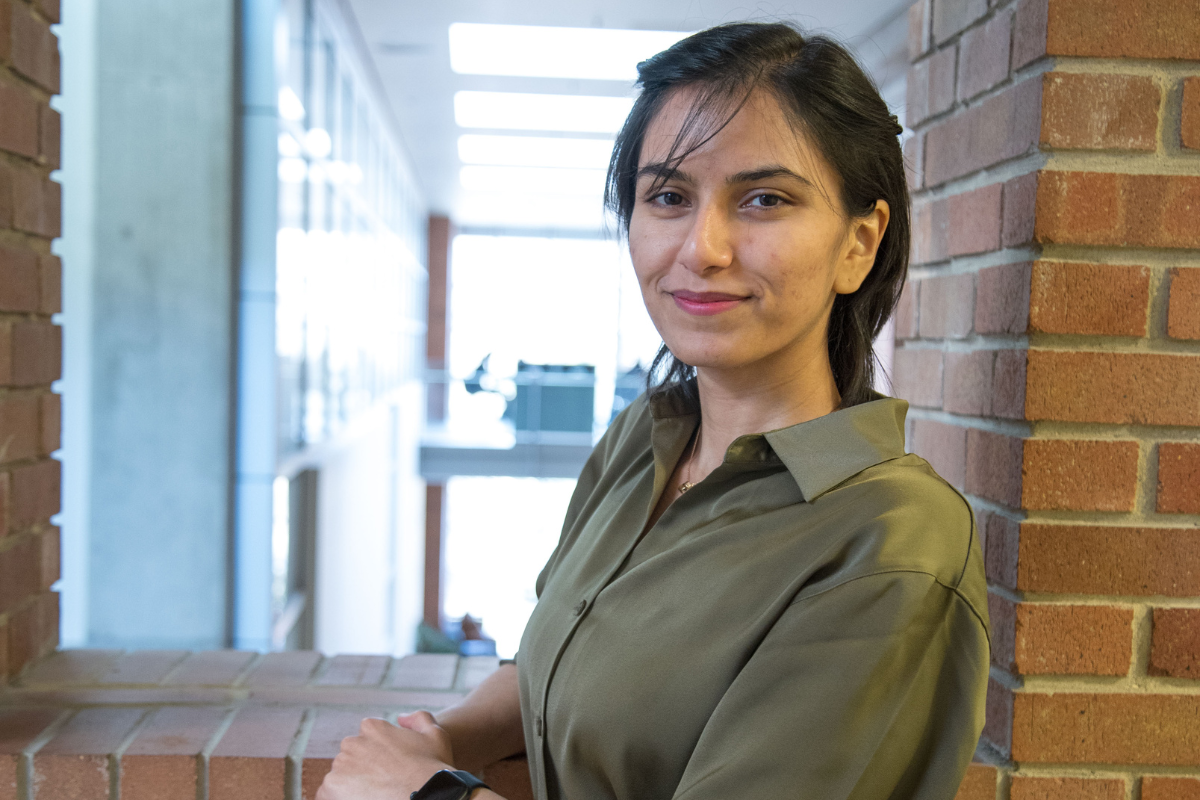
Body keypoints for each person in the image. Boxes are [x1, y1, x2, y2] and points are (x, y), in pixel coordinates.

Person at [317, 21, 989, 800]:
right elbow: (553, 659)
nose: (702, 247)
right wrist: (447, 738)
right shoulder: (644, 441)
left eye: (764, 200)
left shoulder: (891, 543)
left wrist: (427, 794)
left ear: (859, 244)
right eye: (668, 196)